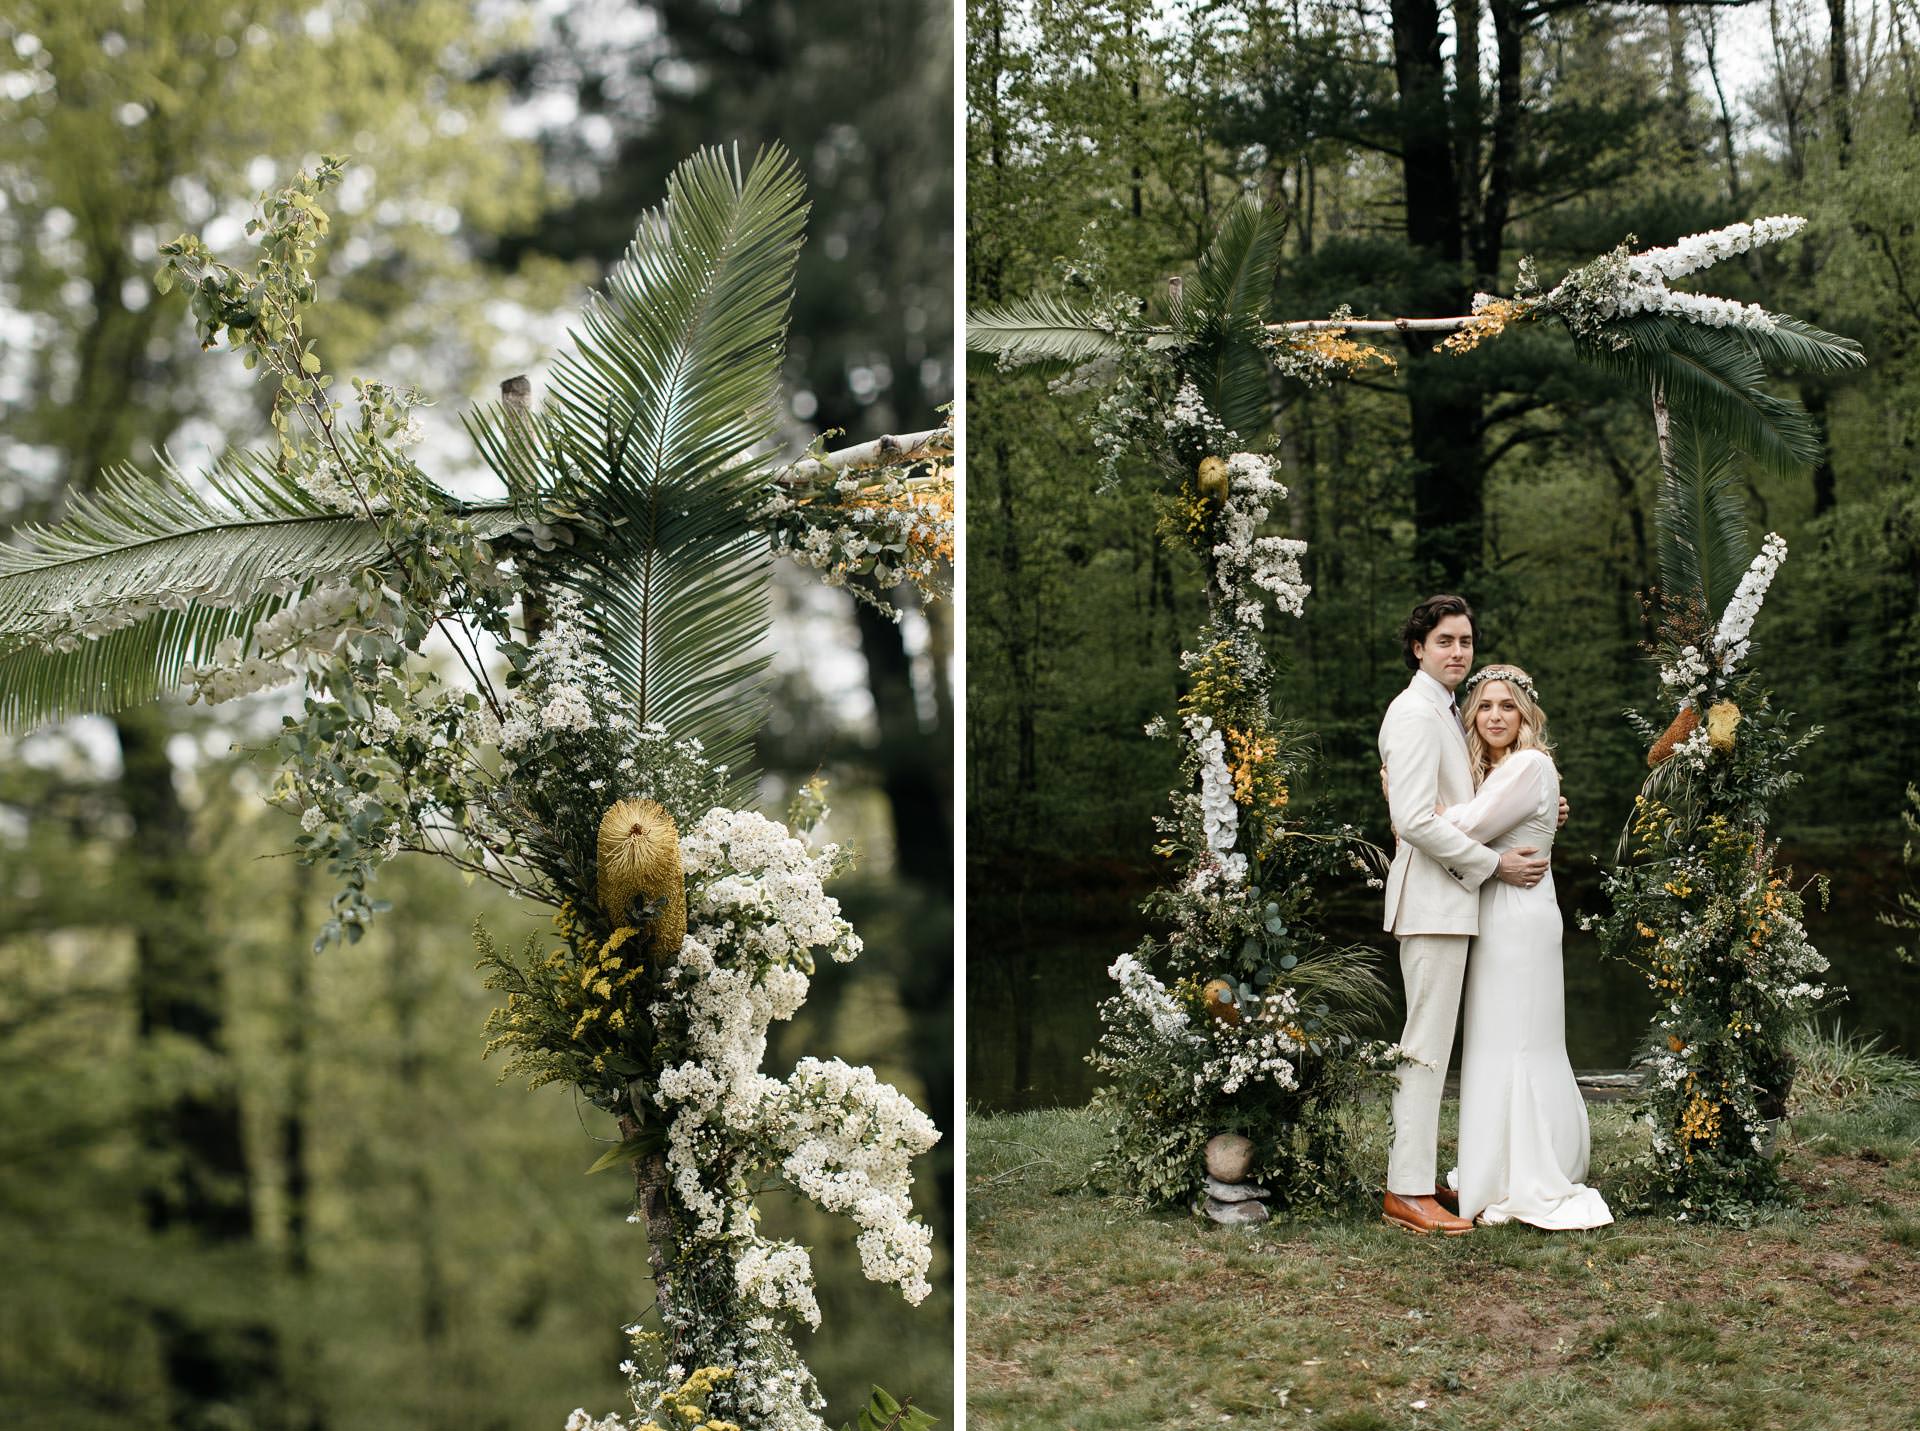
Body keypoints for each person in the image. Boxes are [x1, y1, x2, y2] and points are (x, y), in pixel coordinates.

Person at [1377, 595, 1547, 1236]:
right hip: (1432, 901)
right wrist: (1492, 865)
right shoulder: (1416, 714)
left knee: (1436, 1046)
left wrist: (1537, 813)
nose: (1457, 652)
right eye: (1444, 641)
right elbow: (1413, 820)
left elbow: (1463, 800)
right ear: (1418, 648)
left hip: (1451, 902)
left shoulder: (1446, 710)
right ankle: (1408, 1191)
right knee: (1424, 1050)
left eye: (1466, 642)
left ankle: (1415, 1178)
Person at [1439, 665, 1613, 1229]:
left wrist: (1415, 812)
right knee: (1495, 1041)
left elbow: (1463, 827)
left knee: (1517, 1041)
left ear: (1526, 715)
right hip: (1497, 911)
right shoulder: (1499, 771)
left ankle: (1528, 1172)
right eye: (1485, 706)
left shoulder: (1530, 765)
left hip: (1518, 918)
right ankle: (1496, 1168)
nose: (1494, 715)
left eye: (1507, 706)